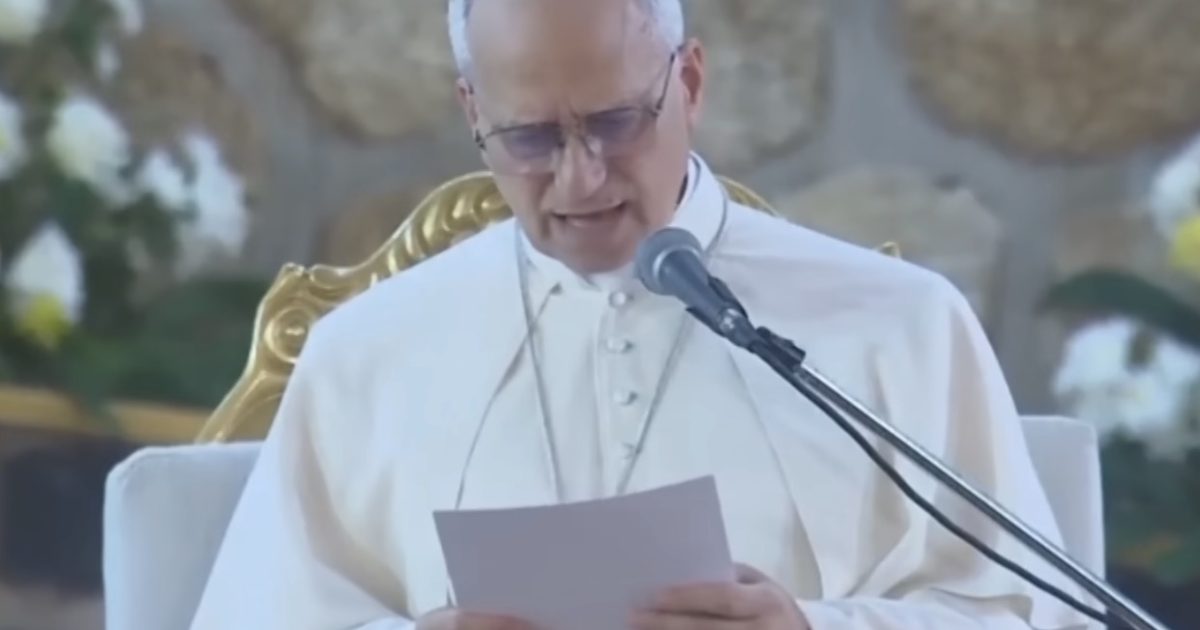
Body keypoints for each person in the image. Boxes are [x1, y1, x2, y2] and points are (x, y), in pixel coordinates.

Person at [189, 0, 1091, 628]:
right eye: (531, 137)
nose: (580, 178)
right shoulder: (364, 354)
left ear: (690, 83)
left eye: (617, 123)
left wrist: (815, 629)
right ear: (473, 110)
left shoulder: (901, 326)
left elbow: (1035, 618)